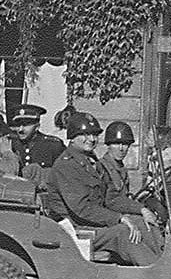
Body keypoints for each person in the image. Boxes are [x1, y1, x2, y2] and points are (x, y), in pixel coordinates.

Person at [47, 112, 160, 266]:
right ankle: (155, 276)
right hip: (76, 229)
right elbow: (82, 209)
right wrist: (119, 218)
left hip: (91, 223)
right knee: (123, 232)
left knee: (140, 223)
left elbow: (110, 198)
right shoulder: (66, 166)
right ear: (72, 137)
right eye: (85, 135)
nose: (92, 139)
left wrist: (141, 209)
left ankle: (163, 265)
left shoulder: (89, 161)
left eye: (94, 135)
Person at [99, 121, 161, 235]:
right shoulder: (103, 168)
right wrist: (141, 209)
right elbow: (111, 201)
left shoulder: (119, 168)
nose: (122, 149)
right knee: (145, 228)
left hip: (119, 213)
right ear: (108, 145)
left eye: (125, 144)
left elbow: (124, 196)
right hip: (109, 219)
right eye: (116, 144)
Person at [10, 102, 66, 189]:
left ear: (37, 126)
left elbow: (63, 175)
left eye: (26, 125)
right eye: (18, 125)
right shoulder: (11, 144)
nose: (20, 129)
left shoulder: (53, 145)